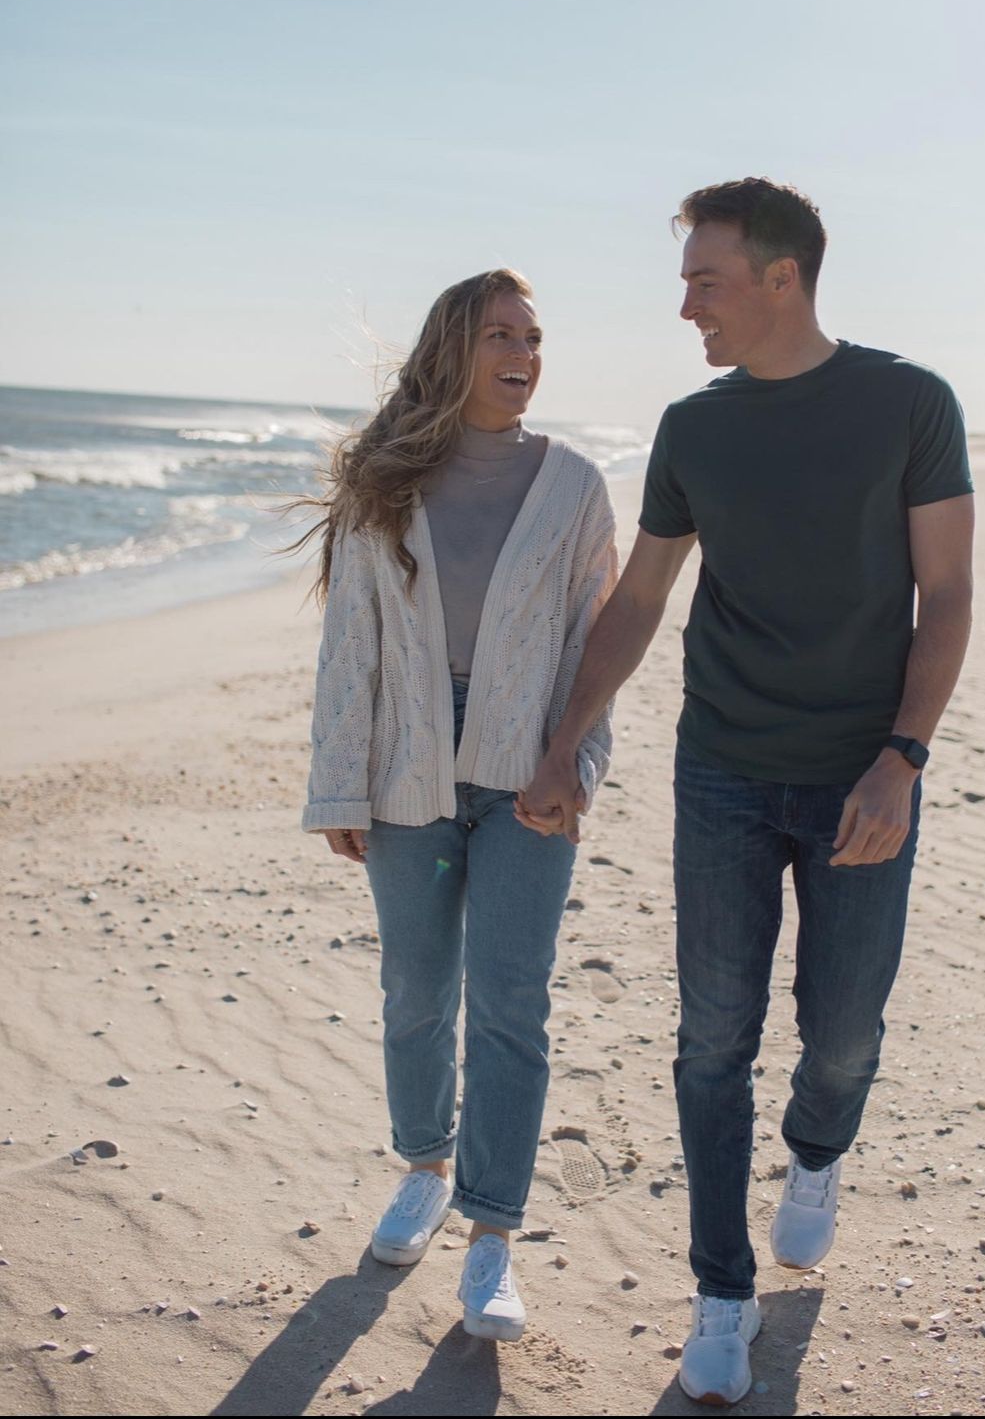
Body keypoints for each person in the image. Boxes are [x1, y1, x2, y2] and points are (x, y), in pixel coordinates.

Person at [518, 178, 974, 1402]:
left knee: (845, 1032)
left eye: (704, 281)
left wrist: (904, 758)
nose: (686, 308)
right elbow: (640, 599)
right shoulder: (693, 429)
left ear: (783, 277)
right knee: (712, 1038)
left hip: (863, 772)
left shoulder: (910, 404)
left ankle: (816, 1152)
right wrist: (564, 740)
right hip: (720, 767)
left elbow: (948, 595)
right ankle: (721, 1295)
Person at [298, 268, 617, 1341]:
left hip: (528, 768)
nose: (523, 354)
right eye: (500, 336)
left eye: (533, 336)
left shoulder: (575, 487)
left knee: (513, 1001)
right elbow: (351, 637)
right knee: (416, 991)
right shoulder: (384, 478)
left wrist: (575, 764)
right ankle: (424, 1169)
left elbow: (595, 643)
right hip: (406, 769)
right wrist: (340, 780)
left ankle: (492, 1236)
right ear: (453, 350)